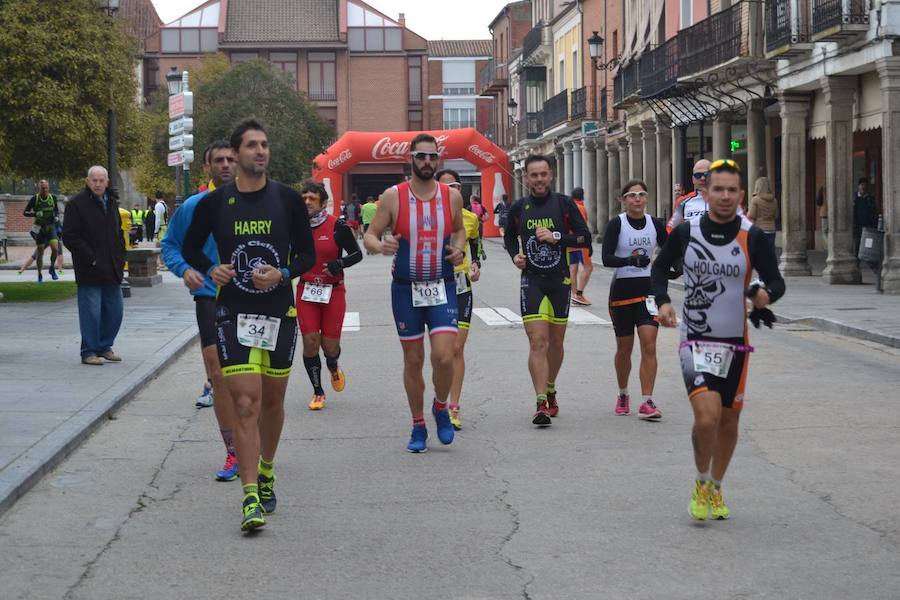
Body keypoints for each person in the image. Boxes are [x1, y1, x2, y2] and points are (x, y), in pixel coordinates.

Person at [183, 118, 316, 531]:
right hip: (233, 312)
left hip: (278, 311)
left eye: (265, 144)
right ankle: (249, 496)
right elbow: (189, 246)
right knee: (245, 402)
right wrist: (211, 269)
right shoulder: (216, 203)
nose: (261, 151)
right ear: (237, 154)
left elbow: (308, 256)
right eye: (252, 145)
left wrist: (283, 273)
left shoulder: (288, 200)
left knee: (273, 403)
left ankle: (268, 469)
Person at [651, 159, 785, 521]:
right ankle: (700, 479)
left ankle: (715, 486)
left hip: (735, 344)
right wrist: (662, 301)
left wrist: (763, 297)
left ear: (741, 195)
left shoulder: (752, 236)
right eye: (718, 189)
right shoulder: (687, 232)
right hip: (695, 338)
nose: (725, 196)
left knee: (728, 422)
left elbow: (776, 281)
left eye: (732, 190)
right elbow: (660, 268)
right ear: (705, 192)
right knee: (707, 418)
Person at [364, 133, 466, 453]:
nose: (426, 162)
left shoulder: (451, 196)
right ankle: (418, 423)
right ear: (411, 158)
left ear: (438, 160)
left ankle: (440, 406)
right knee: (414, 359)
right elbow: (370, 234)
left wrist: (459, 250)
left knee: (444, 355)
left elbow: (460, 229)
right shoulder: (393, 196)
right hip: (406, 289)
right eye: (420, 156)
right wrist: (380, 246)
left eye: (432, 157)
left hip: (442, 285)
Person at [162, 140, 241, 482]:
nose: (225, 165)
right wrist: (185, 270)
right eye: (218, 160)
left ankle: (257, 443)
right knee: (219, 375)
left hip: (252, 300)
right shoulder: (194, 205)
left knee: (256, 381)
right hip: (210, 297)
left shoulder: (256, 203)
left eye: (230, 159)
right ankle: (233, 451)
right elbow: (170, 245)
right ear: (207, 166)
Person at [503, 154, 591, 426]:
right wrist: (515, 255)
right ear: (526, 177)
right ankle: (541, 402)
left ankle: (551, 386)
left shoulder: (564, 204)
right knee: (537, 341)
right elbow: (508, 237)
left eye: (543, 174)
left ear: (550, 175)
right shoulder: (519, 208)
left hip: (560, 281)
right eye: (534, 175)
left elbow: (584, 238)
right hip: (532, 281)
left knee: (556, 342)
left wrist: (556, 237)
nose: (539, 179)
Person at [602, 180, 667, 420]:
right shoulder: (616, 224)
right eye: (631, 195)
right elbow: (606, 258)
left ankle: (647, 400)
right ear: (624, 200)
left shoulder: (654, 224)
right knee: (624, 348)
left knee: (649, 344)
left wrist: (672, 267)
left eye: (641, 194)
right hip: (621, 292)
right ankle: (623, 393)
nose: (637, 199)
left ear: (647, 198)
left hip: (648, 292)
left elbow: (669, 249)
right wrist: (630, 261)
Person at [297, 181, 363, 410]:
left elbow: (357, 254)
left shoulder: (338, 227)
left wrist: (340, 263)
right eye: (304, 198)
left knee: (329, 346)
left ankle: (333, 366)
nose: (307, 202)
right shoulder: (296, 227)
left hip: (333, 292)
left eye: (312, 199)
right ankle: (318, 391)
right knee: (310, 342)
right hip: (306, 290)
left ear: (323, 203)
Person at [61, 166, 126, 366]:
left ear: (107, 182)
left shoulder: (112, 202)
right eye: (94, 180)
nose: (97, 184)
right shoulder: (76, 204)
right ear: (87, 181)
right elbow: (70, 236)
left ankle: (104, 346)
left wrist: (121, 255)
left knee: (115, 311)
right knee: (91, 313)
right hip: (90, 268)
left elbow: (117, 231)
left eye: (101, 180)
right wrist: (91, 257)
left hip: (112, 267)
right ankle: (88, 351)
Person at [436, 168, 482, 431]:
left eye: (456, 185)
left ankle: (453, 405)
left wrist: (475, 263)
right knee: (440, 352)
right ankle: (439, 399)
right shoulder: (426, 218)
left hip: (461, 286)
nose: (452, 190)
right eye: (446, 186)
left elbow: (474, 242)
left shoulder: (470, 218)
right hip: (434, 287)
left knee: (456, 349)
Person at [23, 179, 61, 282]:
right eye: (42, 188)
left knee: (55, 249)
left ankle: (52, 268)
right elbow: (25, 212)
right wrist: (35, 214)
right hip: (39, 229)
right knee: (40, 253)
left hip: (50, 227)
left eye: (46, 188)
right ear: (39, 188)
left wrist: (56, 217)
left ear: (48, 188)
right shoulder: (34, 199)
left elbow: (56, 210)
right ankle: (39, 275)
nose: (45, 190)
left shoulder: (52, 198)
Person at [568, 187, 594, 306]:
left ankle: (574, 295)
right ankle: (579, 293)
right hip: (581, 243)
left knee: (573, 269)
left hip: (570, 242)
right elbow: (582, 226)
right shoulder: (581, 208)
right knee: (588, 268)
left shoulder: (569, 207)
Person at [748, 176, 778, 254]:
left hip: (760, 229)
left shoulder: (756, 199)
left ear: (758, 186)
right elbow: (776, 215)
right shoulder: (774, 200)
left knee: (760, 254)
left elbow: (751, 215)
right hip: (772, 229)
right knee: (770, 253)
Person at [852, 178, 877, 257]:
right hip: (858, 224)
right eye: (862, 185)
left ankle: (868, 259)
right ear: (858, 186)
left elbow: (873, 210)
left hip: (868, 223)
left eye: (865, 185)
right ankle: (857, 259)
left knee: (868, 242)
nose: (863, 187)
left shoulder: (869, 197)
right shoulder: (854, 197)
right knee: (858, 242)